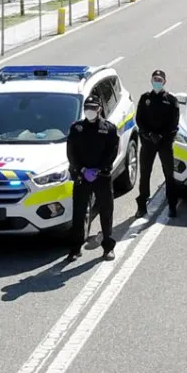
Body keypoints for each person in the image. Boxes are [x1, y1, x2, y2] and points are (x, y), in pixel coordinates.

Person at [66, 95, 118, 261]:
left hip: (101, 176)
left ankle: (108, 247)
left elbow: (112, 152)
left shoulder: (108, 129)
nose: (90, 111)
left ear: (99, 110)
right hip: (82, 175)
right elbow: (71, 152)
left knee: (106, 211)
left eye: (93, 108)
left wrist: (99, 169)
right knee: (79, 213)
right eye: (87, 108)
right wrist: (81, 169)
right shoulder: (77, 128)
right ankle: (75, 248)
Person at [134, 69, 180, 219]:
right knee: (145, 173)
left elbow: (174, 124)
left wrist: (161, 136)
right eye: (155, 79)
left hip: (164, 142)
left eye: (160, 80)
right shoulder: (145, 98)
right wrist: (148, 135)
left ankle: (172, 205)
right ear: (151, 80)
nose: (157, 82)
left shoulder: (171, 101)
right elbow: (139, 120)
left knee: (169, 174)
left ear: (164, 82)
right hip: (148, 143)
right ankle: (142, 205)